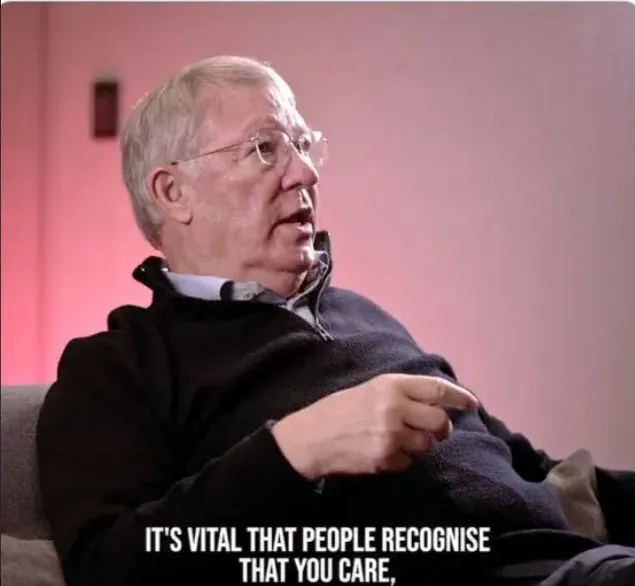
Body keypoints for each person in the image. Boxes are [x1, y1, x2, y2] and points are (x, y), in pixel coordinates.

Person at [36, 56, 634, 586]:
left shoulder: (361, 313)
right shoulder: (121, 365)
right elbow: (109, 565)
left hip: (576, 563)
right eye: (265, 148)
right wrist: (294, 451)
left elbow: (529, 467)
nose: (304, 173)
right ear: (173, 192)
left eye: (302, 145)